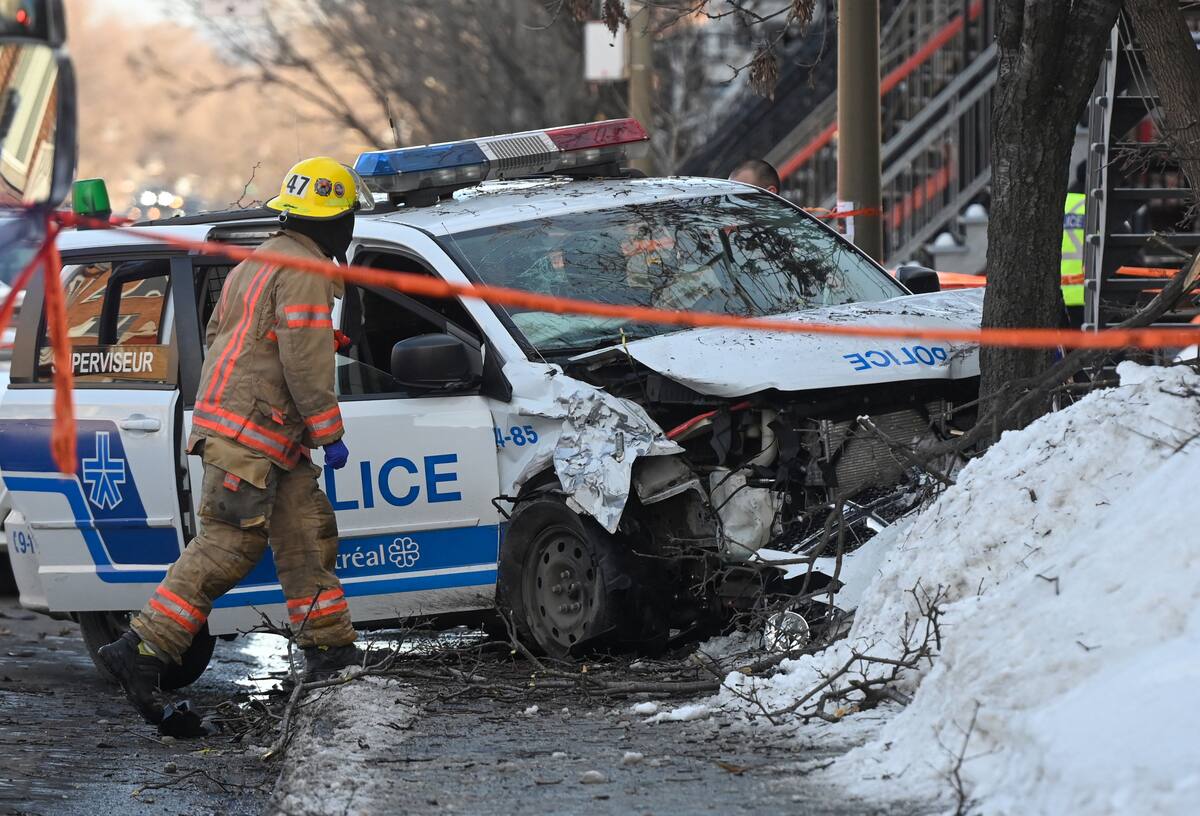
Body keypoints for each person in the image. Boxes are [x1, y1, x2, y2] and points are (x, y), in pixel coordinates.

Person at [99, 157, 368, 725]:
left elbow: (225, 333)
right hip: (251, 437)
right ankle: (142, 648)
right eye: (348, 218)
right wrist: (329, 431)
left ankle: (328, 651)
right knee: (228, 546)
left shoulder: (262, 260)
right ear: (333, 220)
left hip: (259, 434)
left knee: (305, 532)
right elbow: (303, 361)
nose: (349, 229)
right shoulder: (305, 270)